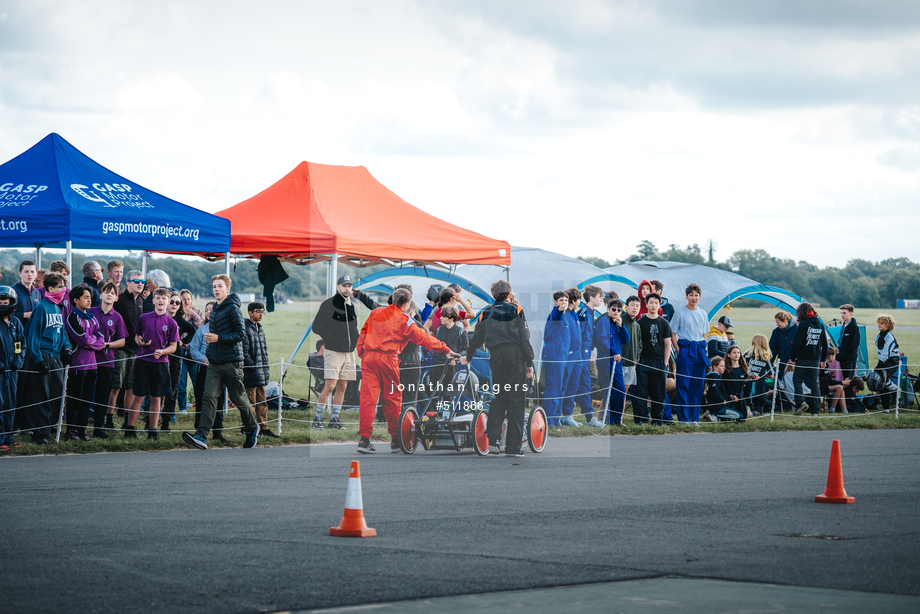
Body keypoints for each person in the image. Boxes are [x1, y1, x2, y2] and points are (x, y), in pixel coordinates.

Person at [355, 288, 457, 454]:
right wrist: (445, 349)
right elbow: (424, 338)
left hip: (369, 358)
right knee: (393, 399)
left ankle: (364, 440)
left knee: (368, 399)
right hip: (389, 359)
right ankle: (396, 440)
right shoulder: (406, 321)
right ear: (407, 304)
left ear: (392, 299)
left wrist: (362, 353)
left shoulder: (376, 313)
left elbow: (364, 333)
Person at [183, 274, 260, 450]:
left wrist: (218, 338)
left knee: (238, 398)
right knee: (208, 396)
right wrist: (211, 349)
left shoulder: (233, 309)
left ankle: (251, 427)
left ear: (227, 289)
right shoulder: (216, 309)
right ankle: (201, 435)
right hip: (214, 362)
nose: (216, 289)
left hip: (232, 361)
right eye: (214, 286)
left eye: (219, 286)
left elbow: (240, 334)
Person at [462, 280, 534, 456]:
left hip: (495, 356)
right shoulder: (516, 309)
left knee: (499, 397)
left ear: (493, 295)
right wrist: (530, 363)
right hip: (515, 355)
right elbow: (524, 338)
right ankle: (512, 448)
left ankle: (493, 439)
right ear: (509, 294)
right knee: (516, 400)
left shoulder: (485, 312)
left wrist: (468, 356)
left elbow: (476, 338)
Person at [310, 274, 377, 430]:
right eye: (344, 286)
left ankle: (334, 419)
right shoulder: (328, 304)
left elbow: (352, 329)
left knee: (343, 386)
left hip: (349, 353)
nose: (347, 289)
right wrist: (330, 338)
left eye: (349, 286)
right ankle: (317, 418)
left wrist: (358, 341)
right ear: (338, 287)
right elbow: (317, 326)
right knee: (330, 386)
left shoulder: (350, 305)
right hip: (334, 351)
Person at [22, 272, 72, 444]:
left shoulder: (57, 308)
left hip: (56, 356)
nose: (63, 290)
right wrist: (38, 360)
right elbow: (32, 336)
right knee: (42, 396)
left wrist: (67, 348)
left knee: (56, 395)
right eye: (60, 287)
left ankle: (49, 428)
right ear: (50, 288)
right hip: (43, 355)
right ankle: (40, 433)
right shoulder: (42, 307)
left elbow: (62, 332)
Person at [125, 287, 179, 439]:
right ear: (153, 300)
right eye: (158, 297)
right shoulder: (144, 317)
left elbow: (173, 347)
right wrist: (140, 342)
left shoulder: (171, 323)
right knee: (139, 395)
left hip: (161, 363)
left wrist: (162, 351)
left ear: (168, 302)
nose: (161, 300)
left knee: (157, 397)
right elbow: (137, 336)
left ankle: (152, 430)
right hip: (143, 361)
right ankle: (129, 428)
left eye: (164, 298)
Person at [64, 286, 106, 441]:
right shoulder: (72, 317)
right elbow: (82, 339)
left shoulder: (92, 317)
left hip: (92, 365)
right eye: (86, 297)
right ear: (76, 300)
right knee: (75, 399)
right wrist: (91, 341)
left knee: (87, 400)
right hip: (77, 365)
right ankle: (71, 431)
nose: (90, 300)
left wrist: (91, 342)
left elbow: (100, 340)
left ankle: (82, 430)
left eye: (90, 297)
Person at [89, 281, 127, 438]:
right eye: (106, 291)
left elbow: (122, 341)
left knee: (102, 395)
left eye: (112, 293)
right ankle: (79, 428)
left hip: (107, 361)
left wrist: (106, 345)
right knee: (87, 394)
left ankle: (98, 428)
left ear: (116, 298)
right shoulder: (90, 312)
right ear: (101, 294)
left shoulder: (117, 317)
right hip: (89, 361)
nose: (109, 294)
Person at [669, 284, 709, 423]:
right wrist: (679, 350)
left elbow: (704, 334)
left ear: (699, 297)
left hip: (699, 349)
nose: (693, 297)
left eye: (696, 295)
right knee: (683, 384)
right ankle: (684, 418)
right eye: (691, 295)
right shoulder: (680, 312)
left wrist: (705, 350)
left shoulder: (703, 314)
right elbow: (672, 333)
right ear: (686, 296)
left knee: (697, 386)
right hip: (686, 349)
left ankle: (694, 419)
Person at [189, 301, 227, 442]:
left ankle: (218, 431)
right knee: (201, 398)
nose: (209, 312)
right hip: (204, 370)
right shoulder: (201, 330)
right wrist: (203, 359)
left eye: (212, 309)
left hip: (219, 370)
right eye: (207, 310)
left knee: (219, 400)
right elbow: (193, 349)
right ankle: (199, 429)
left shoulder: (223, 330)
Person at [112, 271, 145, 424]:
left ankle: (127, 420)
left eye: (142, 280)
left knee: (130, 387)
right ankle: (108, 420)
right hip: (120, 348)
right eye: (137, 280)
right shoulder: (119, 300)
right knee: (116, 385)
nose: (140, 283)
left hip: (136, 349)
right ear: (128, 283)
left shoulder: (141, 301)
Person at [161, 291, 196, 433]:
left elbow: (193, 331)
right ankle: (149, 422)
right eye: (172, 301)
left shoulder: (181, 321)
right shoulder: (160, 318)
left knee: (172, 390)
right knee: (157, 391)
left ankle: (165, 423)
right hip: (159, 358)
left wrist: (184, 342)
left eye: (177, 303)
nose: (174, 304)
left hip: (175, 358)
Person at [635, 293, 672, 425]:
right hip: (644, 361)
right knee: (641, 392)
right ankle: (640, 419)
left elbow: (668, 344)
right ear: (646, 304)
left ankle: (657, 420)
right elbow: (637, 343)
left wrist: (665, 363)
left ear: (659, 304)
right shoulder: (640, 323)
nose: (653, 305)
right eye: (651, 302)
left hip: (659, 362)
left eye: (656, 303)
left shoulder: (664, 323)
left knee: (659, 393)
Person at [243, 301, 278, 438]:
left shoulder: (260, 329)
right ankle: (248, 428)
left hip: (260, 373)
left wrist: (265, 370)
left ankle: (264, 428)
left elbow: (264, 352)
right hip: (251, 373)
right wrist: (253, 366)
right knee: (250, 403)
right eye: (258, 311)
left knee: (262, 402)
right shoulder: (246, 329)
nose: (261, 314)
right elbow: (244, 352)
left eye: (263, 311)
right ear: (250, 313)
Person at [593, 298, 630, 426]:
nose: (616, 312)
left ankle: (615, 419)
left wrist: (622, 326)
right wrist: (613, 351)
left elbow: (626, 340)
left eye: (619, 310)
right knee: (611, 389)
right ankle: (609, 419)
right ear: (608, 309)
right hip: (606, 360)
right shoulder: (603, 322)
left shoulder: (618, 323)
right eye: (613, 309)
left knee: (618, 389)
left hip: (616, 362)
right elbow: (601, 340)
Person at [541, 290, 575, 427]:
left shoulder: (566, 317)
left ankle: (555, 418)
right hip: (554, 355)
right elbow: (557, 314)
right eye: (561, 300)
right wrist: (560, 309)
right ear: (555, 302)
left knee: (560, 388)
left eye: (566, 301)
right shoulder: (556, 314)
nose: (564, 303)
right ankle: (548, 419)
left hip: (562, 356)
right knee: (553, 388)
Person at [789, 302, 828, 416]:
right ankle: (816, 410)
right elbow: (825, 343)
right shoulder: (820, 324)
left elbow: (798, 343)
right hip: (815, 359)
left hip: (803, 359)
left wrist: (793, 357)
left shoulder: (804, 324)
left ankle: (800, 403)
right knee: (815, 384)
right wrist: (823, 359)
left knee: (797, 380)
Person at [573, 285, 604, 425]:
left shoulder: (591, 313)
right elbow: (579, 335)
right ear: (591, 298)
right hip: (581, 353)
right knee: (582, 384)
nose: (602, 299)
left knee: (584, 384)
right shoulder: (584, 313)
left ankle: (587, 416)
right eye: (599, 297)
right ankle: (588, 417)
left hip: (587, 352)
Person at [0, 286, 25, 450]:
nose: (2, 304)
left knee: (10, 403)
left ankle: (8, 436)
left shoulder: (16, 322)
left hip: (13, 371)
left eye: (5, 301)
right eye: (0, 302)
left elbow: (22, 345)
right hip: (1, 371)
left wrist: (18, 361)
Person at [560, 287, 587, 426]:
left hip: (578, 354)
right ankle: (557, 415)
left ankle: (567, 415)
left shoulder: (575, 314)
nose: (580, 303)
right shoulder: (564, 314)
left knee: (574, 385)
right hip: (569, 354)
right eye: (579, 300)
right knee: (564, 385)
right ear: (574, 300)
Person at [432, 305, 468, 394]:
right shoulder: (439, 330)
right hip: (437, 365)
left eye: (443, 316)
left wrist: (456, 358)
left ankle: (448, 408)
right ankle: (435, 408)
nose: (440, 318)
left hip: (452, 365)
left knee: (449, 392)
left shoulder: (461, 332)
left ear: (451, 319)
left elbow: (465, 349)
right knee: (435, 392)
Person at [178, 289, 203, 415]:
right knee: (181, 382)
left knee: (196, 381)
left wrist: (194, 315)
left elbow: (201, 329)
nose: (186, 301)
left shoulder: (197, 311)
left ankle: (199, 406)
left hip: (193, 351)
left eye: (188, 299)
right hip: (181, 351)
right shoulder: (178, 312)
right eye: (183, 299)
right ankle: (182, 408)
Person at [700, 357, 743, 422]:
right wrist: (721, 400)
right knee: (739, 416)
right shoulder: (714, 378)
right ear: (715, 366)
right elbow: (714, 392)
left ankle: (717, 417)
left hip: (718, 406)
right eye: (721, 366)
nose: (724, 368)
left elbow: (720, 391)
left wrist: (729, 396)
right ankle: (715, 416)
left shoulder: (717, 377)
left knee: (739, 415)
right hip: (717, 407)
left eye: (724, 366)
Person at [620, 296, 643, 422]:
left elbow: (640, 344)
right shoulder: (620, 320)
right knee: (615, 392)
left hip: (631, 364)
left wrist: (637, 356)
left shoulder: (637, 325)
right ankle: (604, 417)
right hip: (619, 363)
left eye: (637, 306)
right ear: (626, 306)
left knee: (624, 392)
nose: (635, 308)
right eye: (632, 305)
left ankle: (620, 419)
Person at [874, 314, 900, 411]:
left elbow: (886, 352)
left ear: (888, 325)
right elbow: (879, 351)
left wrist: (879, 365)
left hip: (893, 361)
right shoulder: (879, 336)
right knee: (881, 382)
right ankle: (886, 408)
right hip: (884, 360)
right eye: (879, 323)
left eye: (882, 323)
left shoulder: (889, 337)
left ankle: (896, 389)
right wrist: (880, 363)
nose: (879, 325)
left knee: (883, 380)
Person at [743, 334, 773, 417]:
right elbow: (772, 375)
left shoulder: (746, 355)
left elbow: (742, 369)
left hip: (747, 383)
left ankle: (748, 411)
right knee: (759, 405)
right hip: (759, 385)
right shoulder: (766, 358)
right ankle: (756, 413)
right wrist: (763, 374)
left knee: (746, 401)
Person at [12, 260, 41, 333]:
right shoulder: (12, 291)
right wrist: (24, 315)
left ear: (36, 274)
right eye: (26, 271)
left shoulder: (37, 293)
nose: (29, 274)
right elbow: (5, 315)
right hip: (17, 334)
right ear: (20, 274)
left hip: (34, 335)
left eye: (32, 272)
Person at [722, 345, 749, 418]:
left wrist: (752, 377)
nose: (736, 354)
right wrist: (729, 395)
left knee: (743, 417)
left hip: (740, 396)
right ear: (728, 355)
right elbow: (723, 384)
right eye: (734, 353)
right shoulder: (725, 368)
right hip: (729, 396)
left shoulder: (743, 367)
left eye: (738, 353)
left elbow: (745, 380)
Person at [820, 347, 849, 413]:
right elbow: (830, 381)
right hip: (822, 386)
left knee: (841, 390)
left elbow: (824, 376)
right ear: (830, 356)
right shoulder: (824, 365)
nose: (834, 358)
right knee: (840, 387)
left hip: (824, 384)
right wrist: (842, 382)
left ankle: (844, 410)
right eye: (834, 356)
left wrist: (828, 375)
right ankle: (832, 409)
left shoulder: (825, 364)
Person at [837, 304, 860, 380]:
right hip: (842, 358)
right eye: (841, 313)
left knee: (848, 380)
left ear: (850, 313)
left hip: (849, 359)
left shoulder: (854, 327)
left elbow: (854, 344)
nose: (842, 315)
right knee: (844, 379)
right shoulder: (843, 326)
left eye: (844, 313)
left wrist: (844, 353)